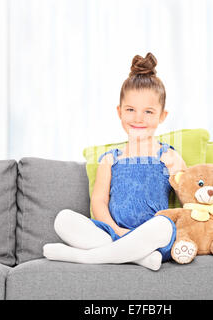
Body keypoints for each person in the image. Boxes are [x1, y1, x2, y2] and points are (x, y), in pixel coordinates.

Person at [43, 52, 187, 270]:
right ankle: (138, 257)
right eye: (130, 110)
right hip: (113, 232)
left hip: (153, 237)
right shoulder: (111, 160)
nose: (138, 118)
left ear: (162, 116)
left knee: (164, 226)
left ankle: (86, 257)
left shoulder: (168, 157)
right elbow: (99, 202)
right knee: (63, 219)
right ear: (120, 112)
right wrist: (118, 231)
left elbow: (188, 201)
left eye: (148, 112)